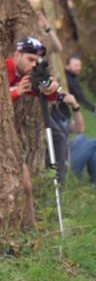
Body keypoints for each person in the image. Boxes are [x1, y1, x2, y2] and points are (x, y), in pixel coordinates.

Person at [5, 38, 61, 219]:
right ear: (16, 55)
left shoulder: (27, 75)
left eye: (37, 61)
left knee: (27, 186)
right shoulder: (4, 68)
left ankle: (30, 231)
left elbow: (52, 96)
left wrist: (52, 88)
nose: (33, 64)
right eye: (30, 59)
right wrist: (16, 92)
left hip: (9, 138)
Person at [65, 55, 96, 122]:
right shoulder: (69, 80)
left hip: (80, 109)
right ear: (67, 66)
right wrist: (94, 110)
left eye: (79, 65)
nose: (79, 68)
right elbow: (81, 99)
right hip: (77, 110)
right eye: (75, 66)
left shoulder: (71, 78)